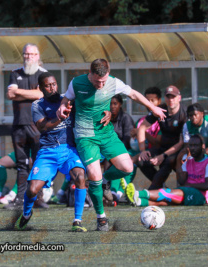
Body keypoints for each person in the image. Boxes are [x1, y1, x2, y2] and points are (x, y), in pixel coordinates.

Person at [57, 59, 166, 231]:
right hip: (85, 136)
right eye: (97, 81)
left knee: (127, 167)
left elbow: (134, 94)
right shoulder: (77, 83)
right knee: (94, 175)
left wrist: (153, 108)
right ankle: (101, 218)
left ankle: (106, 180)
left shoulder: (114, 83)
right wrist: (62, 107)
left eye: (104, 81)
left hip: (106, 133)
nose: (101, 84)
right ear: (90, 73)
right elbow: (66, 99)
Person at [16, 72, 109, 232]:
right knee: (32, 190)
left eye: (54, 84)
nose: (52, 88)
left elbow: (89, 105)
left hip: (69, 149)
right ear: (40, 88)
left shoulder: (67, 100)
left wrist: (106, 111)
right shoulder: (37, 105)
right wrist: (60, 117)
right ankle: (26, 214)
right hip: (48, 152)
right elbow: (42, 126)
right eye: (47, 85)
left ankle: (77, 221)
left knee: (80, 177)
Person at [5, 43, 47, 209]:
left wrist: (19, 92)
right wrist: (32, 93)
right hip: (19, 125)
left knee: (39, 163)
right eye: (26, 54)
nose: (29, 57)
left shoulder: (44, 74)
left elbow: (41, 94)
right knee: (21, 164)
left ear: (38, 56)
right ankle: (20, 199)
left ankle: (38, 198)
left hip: (38, 126)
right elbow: (10, 94)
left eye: (32, 54)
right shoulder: (15, 73)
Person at [127, 134, 208, 206]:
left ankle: (138, 194)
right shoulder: (188, 161)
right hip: (187, 191)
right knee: (168, 201)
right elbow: (182, 181)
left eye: (195, 145)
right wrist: (179, 160)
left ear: (203, 146)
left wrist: (189, 185)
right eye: (191, 146)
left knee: (168, 193)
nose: (192, 148)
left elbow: (207, 185)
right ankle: (140, 202)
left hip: (201, 197)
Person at [137, 85, 187, 190]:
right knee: (141, 160)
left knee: (167, 161)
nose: (171, 100)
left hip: (178, 150)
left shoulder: (184, 114)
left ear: (179, 98)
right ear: (165, 98)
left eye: (173, 97)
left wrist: (162, 156)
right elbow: (141, 128)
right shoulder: (160, 110)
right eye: (168, 97)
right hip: (162, 147)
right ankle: (161, 187)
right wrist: (142, 150)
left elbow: (181, 143)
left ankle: (151, 191)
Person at [103, 94, 135, 202]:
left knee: (125, 163)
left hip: (125, 150)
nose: (112, 106)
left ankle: (116, 192)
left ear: (120, 104)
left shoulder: (126, 118)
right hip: (106, 150)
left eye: (115, 103)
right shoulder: (104, 118)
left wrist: (117, 153)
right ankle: (107, 190)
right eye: (110, 104)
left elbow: (127, 139)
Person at [176, 103, 208, 171]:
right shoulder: (187, 125)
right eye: (191, 115)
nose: (193, 118)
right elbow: (187, 144)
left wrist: (203, 153)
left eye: (195, 115)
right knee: (181, 158)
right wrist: (189, 156)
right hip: (195, 151)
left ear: (202, 114)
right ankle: (183, 179)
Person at [130, 86, 162, 155]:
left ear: (159, 101)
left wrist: (142, 132)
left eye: (152, 100)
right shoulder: (140, 121)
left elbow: (158, 144)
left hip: (154, 154)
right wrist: (133, 134)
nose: (149, 103)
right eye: (147, 100)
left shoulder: (162, 121)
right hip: (138, 152)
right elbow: (133, 140)